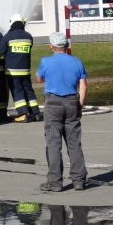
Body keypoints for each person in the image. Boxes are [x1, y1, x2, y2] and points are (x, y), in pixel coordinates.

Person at [36, 31, 88, 192]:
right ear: (66, 46)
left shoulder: (45, 61)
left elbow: (39, 79)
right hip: (72, 101)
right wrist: (80, 104)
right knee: (74, 143)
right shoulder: (77, 62)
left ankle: (55, 182)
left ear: (51, 46)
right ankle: (79, 180)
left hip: (53, 103)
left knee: (53, 143)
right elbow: (83, 85)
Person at [0, 13, 42, 123]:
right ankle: (35, 113)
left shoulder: (8, 36)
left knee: (17, 91)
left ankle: (22, 114)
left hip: (12, 71)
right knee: (29, 91)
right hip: (25, 70)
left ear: (12, 24)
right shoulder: (28, 36)